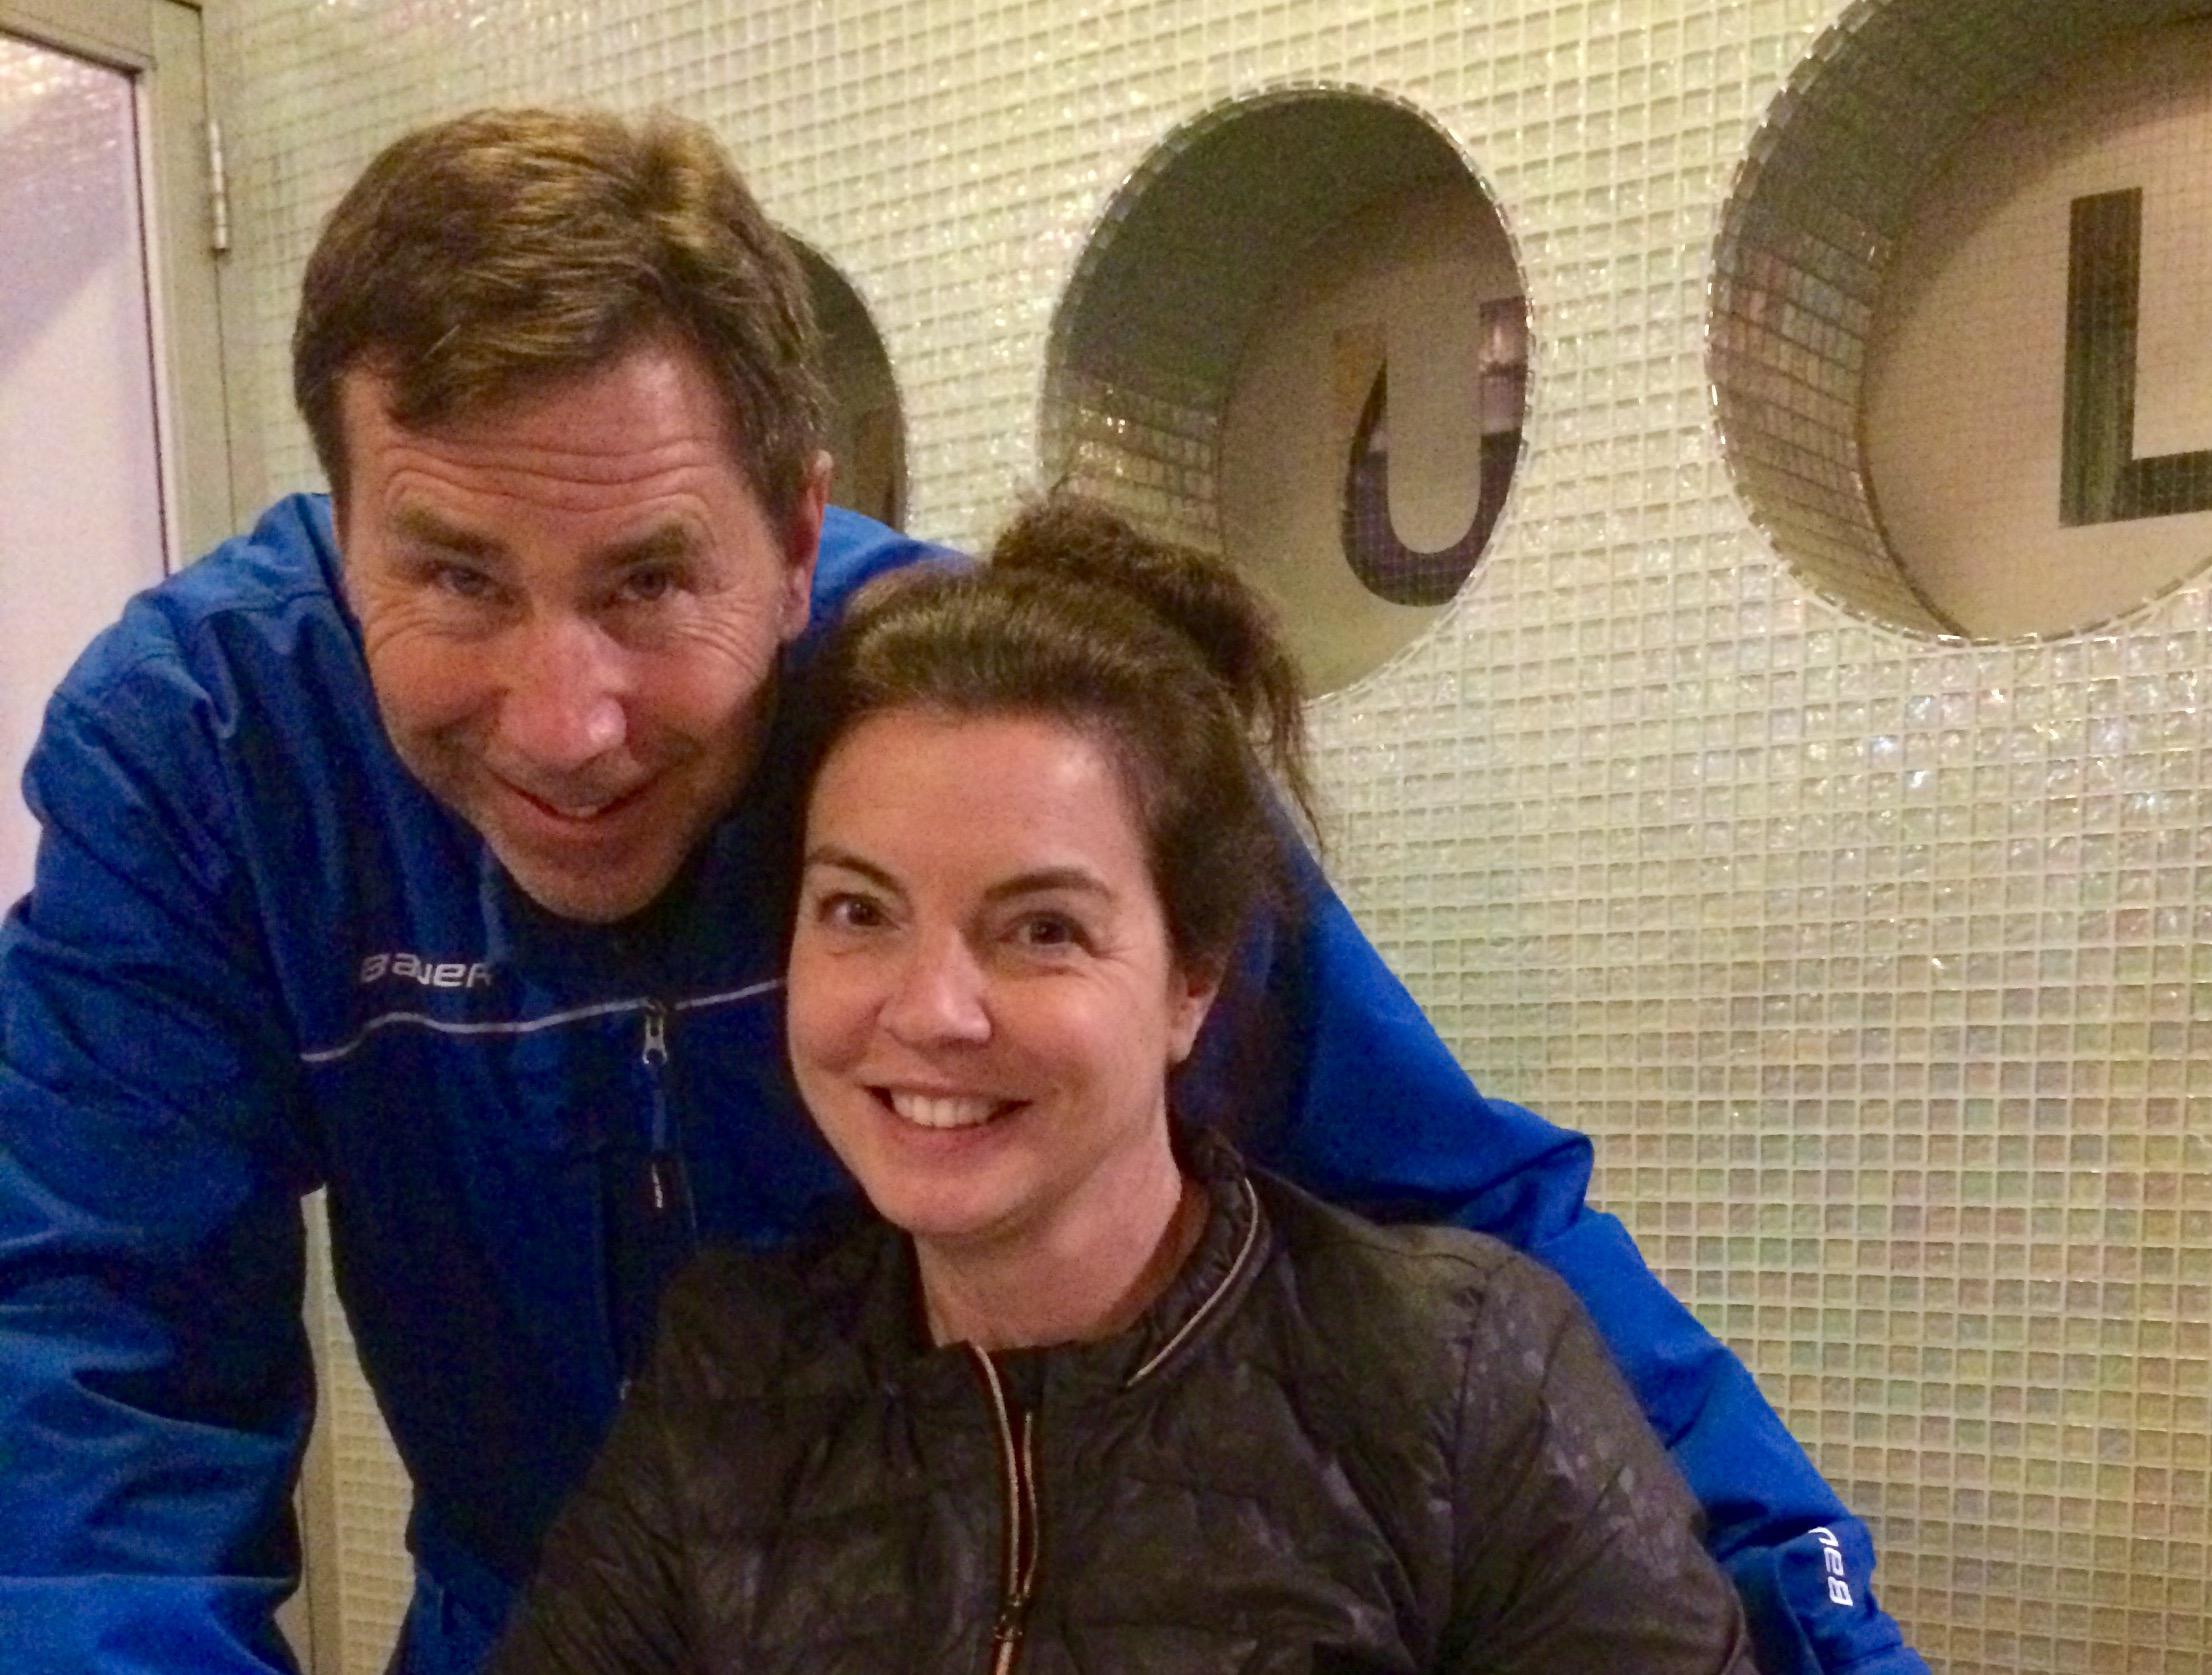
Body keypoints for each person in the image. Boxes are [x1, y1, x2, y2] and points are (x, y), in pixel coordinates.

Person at [0, 107, 1924, 1675]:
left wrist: (1826, 1629)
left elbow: (1444, 1203)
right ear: (338, 525)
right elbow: (95, 1371)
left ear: (795, 530)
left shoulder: (973, 723)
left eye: (651, 581)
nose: (567, 724)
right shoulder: (205, 754)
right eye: (454, 578)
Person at [488, 496, 1765, 1675]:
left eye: (1041, 929)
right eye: (859, 910)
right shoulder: (730, 1379)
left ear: (1190, 979)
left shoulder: (1464, 1381)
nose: (930, 1010)